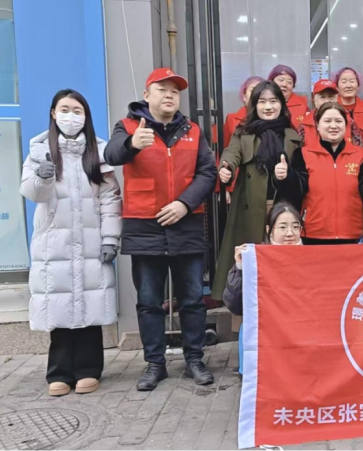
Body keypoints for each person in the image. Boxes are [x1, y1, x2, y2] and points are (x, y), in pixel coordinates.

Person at [105, 68, 217, 391]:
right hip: (144, 227)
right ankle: (155, 364)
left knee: (193, 299)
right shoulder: (128, 126)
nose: (169, 95)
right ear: (147, 95)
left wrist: (185, 203)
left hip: (186, 224)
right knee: (149, 300)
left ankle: (194, 359)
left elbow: (207, 172)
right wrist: (131, 144)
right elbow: (111, 154)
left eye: (175, 91)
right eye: (162, 89)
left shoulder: (193, 130)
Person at [21, 90, 121, 397]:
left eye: (77, 110)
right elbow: (32, 193)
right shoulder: (40, 150)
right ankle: (59, 372)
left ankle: (89, 370)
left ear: (86, 116)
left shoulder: (98, 151)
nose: (71, 116)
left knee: (90, 305)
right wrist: (42, 177)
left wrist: (110, 238)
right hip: (54, 243)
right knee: (59, 307)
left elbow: (110, 197)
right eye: (64, 109)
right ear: (53, 113)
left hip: (91, 241)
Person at [211, 80, 304, 300]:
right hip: (249, 208)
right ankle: (243, 313)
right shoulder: (243, 132)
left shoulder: (293, 136)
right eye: (262, 102)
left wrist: (286, 174)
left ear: (282, 104)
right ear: (254, 105)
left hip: (281, 210)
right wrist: (226, 168)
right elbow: (232, 153)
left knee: (281, 268)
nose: (268, 107)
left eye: (273, 101)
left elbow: (301, 176)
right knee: (247, 266)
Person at [223, 203, 304, 374]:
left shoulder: (312, 259)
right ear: (269, 230)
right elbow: (235, 305)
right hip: (267, 331)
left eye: (295, 227)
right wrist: (239, 268)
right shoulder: (256, 260)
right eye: (283, 227)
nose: (290, 233)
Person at [291, 102, 363, 245]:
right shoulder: (303, 154)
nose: (333, 126)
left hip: (352, 232)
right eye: (327, 121)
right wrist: (285, 177)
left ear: (346, 125)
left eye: (338, 121)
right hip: (314, 232)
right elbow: (296, 190)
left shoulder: (359, 154)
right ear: (317, 125)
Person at [300, 79, 362, 148]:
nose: (327, 101)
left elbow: (359, 150)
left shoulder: (349, 122)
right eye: (322, 97)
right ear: (315, 100)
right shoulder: (305, 125)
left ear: (337, 99)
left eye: (331, 97)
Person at [223, 76, 264, 149]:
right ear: (244, 96)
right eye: (253, 90)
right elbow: (225, 147)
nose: (256, 94)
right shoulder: (231, 119)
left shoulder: (273, 117)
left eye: (261, 91)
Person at [268, 64, 309, 129]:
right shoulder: (262, 102)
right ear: (271, 82)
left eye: (289, 82)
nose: (284, 84)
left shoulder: (303, 104)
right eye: (281, 80)